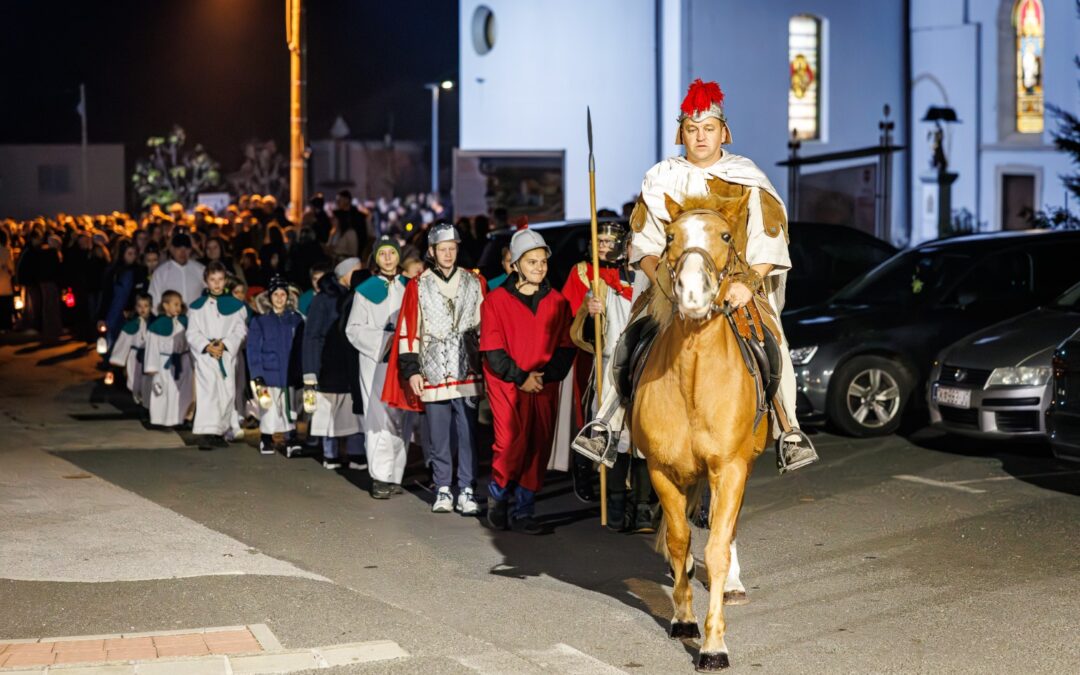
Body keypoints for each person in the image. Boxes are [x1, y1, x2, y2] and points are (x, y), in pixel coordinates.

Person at [572, 78, 818, 473]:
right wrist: (663, 283)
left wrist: (748, 285)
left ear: (724, 132)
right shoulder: (661, 177)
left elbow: (768, 243)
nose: (700, 137)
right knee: (630, 337)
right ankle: (607, 422)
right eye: (692, 129)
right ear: (681, 133)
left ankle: (788, 429)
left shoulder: (748, 178)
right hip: (671, 286)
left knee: (772, 341)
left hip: (735, 287)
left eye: (708, 128)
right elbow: (645, 245)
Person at [383, 222, 484, 515]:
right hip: (433, 369)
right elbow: (408, 328)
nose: (448, 254)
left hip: (467, 369)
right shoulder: (418, 285)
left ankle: (467, 488)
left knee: (468, 434)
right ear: (432, 251)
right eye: (443, 249)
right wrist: (412, 370)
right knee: (438, 435)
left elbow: (484, 326)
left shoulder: (474, 282)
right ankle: (443, 487)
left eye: (452, 249)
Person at [481, 230, 575, 534]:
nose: (539, 267)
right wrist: (521, 377)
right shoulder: (495, 301)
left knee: (537, 444)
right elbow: (493, 350)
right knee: (510, 443)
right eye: (531, 261)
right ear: (516, 264)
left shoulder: (558, 302)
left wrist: (545, 376)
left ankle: (524, 509)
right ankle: (498, 494)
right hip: (508, 385)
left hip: (543, 385)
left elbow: (566, 347)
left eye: (543, 261)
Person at [345, 237, 411, 498]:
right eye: (382, 254)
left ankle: (396, 474)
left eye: (391, 253)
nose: (387, 258)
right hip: (376, 361)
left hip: (405, 360)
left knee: (402, 416)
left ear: (398, 256)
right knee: (378, 416)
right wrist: (385, 339)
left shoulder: (410, 286)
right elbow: (353, 329)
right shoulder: (365, 290)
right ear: (375, 258)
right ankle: (380, 476)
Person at [303, 257, 365, 470]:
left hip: (350, 362)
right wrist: (310, 369)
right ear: (345, 274)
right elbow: (312, 335)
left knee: (352, 409)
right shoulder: (323, 299)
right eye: (356, 270)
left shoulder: (356, 295)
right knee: (329, 409)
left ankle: (356, 452)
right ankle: (331, 453)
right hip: (329, 363)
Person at [187, 261, 248, 449]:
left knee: (226, 393)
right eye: (212, 279)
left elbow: (240, 330)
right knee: (208, 393)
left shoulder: (235, 306)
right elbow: (192, 333)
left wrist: (226, 344)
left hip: (226, 355)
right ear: (206, 281)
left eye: (220, 279)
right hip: (206, 357)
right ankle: (206, 433)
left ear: (225, 280)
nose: (216, 283)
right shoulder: (197, 307)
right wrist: (206, 346)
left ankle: (219, 431)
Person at [248, 275, 305, 456]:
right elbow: (253, 349)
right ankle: (266, 438)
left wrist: (302, 372)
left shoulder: (296, 319)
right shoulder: (260, 321)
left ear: (288, 296)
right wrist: (257, 375)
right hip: (268, 373)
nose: (279, 298)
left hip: (289, 373)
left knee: (290, 407)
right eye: (275, 294)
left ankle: (291, 439)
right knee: (269, 408)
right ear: (269, 297)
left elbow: (301, 348)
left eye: (283, 294)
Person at [143, 290, 193, 428]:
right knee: (164, 391)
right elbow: (152, 347)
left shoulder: (184, 322)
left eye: (180, 304)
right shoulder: (157, 325)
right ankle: (161, 419)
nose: (178, 307)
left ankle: (181, 418)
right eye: (175, 304)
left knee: (183, 391)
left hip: (183, 362)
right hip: (164, 364)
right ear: (165, 306)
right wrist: (152, 368)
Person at [109, 291, 154, 408]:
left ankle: (147, 406)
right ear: (135, 307)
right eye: (139, 306)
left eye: (146, 306)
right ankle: (139, 400)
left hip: (149, 356)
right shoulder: (132, 325)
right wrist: (118, 358)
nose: (142, 309)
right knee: (135, 380)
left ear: (151, 307)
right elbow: (124, 340)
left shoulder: (155, 323)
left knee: (148, 382)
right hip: (135, 357)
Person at [148, 231, 205, 308]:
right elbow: (154, 299)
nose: (183, 252)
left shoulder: (201, 270)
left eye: (186, 249)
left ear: (190, 250)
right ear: (172, 249)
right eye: (179, 248)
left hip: (196, 314)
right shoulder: (160, 273)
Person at [0, 230, 14, 331]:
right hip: (5, 283)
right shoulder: (6, 251)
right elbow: (11, 268)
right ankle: (7, 326)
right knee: (5, 307)